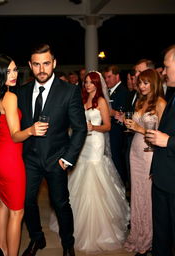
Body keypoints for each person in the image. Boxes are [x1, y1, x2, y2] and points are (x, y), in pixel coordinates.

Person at [49, 71, 130, 253]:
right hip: (82, 145)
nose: (87, 85)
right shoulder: (81, 100)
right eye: (85, 82)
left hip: (95, 143)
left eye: (91, 82)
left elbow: (108, 126)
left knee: (94, 179)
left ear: (97, 84)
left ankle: (98, 229)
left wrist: (93, 126)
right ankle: (74, 224)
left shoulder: (101, 101)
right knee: (78, 178)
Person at [18, 43, 87, 256]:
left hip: (57, 158)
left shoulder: (69, 91)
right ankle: (37, 239)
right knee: (28, 202)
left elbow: (80, 128)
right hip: (29, 158)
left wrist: (67, 159)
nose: (41, 69)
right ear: (30, 65)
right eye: (36, 64)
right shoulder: (22, 92)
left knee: (60, 203)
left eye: (46, 64)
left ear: (54, 63)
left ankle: (68, 244)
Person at [0, 54, 45, 256]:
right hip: (9, 159)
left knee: (3, 204)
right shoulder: (10, 97)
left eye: (15, 69)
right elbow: (16, 136)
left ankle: (2, 248)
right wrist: (32, 130)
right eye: (8, 71)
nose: (14, 74)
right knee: (17, 212)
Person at [124, 69, 166, 256]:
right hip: (136, 150)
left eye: (146, 83)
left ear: (154, 83)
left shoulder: (160, 103)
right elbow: (137, 128)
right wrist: (131, 126)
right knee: (137, 194)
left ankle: (148, 240)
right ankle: (138, 234)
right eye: (140, 83)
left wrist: (138, 128)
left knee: (148, 196)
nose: (141, 86)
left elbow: (161, 132)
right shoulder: (141, 101)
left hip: (150, 152)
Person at [145, 45, 175, 256]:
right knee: (161, 236)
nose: (163, 72)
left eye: (166, 67)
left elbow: (168, 138)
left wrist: (169, 141)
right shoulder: (172, 94)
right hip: (162, 178)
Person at [103, 65, 129, 185]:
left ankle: (121, 188)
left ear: (117, 76)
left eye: (109, 77)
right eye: (105, 77)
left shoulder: (123, 91)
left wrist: (109, 112)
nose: (106, 80)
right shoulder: (108, 91)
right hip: (109, 132)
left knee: (117, 160)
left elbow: (121, 113)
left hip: (117, 133)